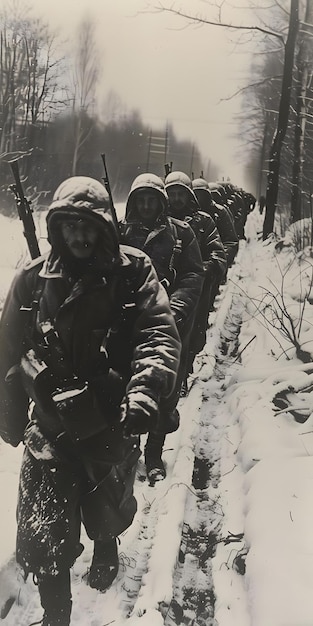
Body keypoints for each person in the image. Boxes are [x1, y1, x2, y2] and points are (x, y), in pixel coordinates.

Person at [0, 176, 181, 625]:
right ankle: (55, 615)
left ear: (104, 226)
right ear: (57, 228)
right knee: (43, 533)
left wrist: (144, 389)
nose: (79, 236)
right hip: (48, 426)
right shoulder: (33, 278)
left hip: (110, 417)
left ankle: (105, 543)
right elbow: (7, 349)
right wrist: (8, 414)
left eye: (88, 226)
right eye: (69, 227)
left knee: (105, 505)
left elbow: (158, 332)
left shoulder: (133, 270)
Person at [119, 173, 204, 484]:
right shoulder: (120, 232)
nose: (145, 205)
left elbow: (193, 276)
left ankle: (153, 453)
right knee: (124, 384)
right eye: (140, 199)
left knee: (163, 389)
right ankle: (126, 451)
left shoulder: (181, 233)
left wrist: (174, 310)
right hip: (126, 323)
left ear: (160, 202)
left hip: (166, 325)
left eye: (151, 199)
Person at [164, 171, 227, 383]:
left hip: (197, 289)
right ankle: (173, 377)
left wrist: (204, 268)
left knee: (193, 335)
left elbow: (218, 252)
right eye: (171, 194)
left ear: (189, 195)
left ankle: (184, 371)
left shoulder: (204, 221)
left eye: (181, 194)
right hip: (166, 287)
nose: (176, 199)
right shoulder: (160, 221)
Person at [191, 177, 239, 268]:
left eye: (202, 195)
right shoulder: (190, 213)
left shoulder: (219, 212)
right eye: (195, 195)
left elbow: (230, 241)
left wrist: (218, 264)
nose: (199, 198)